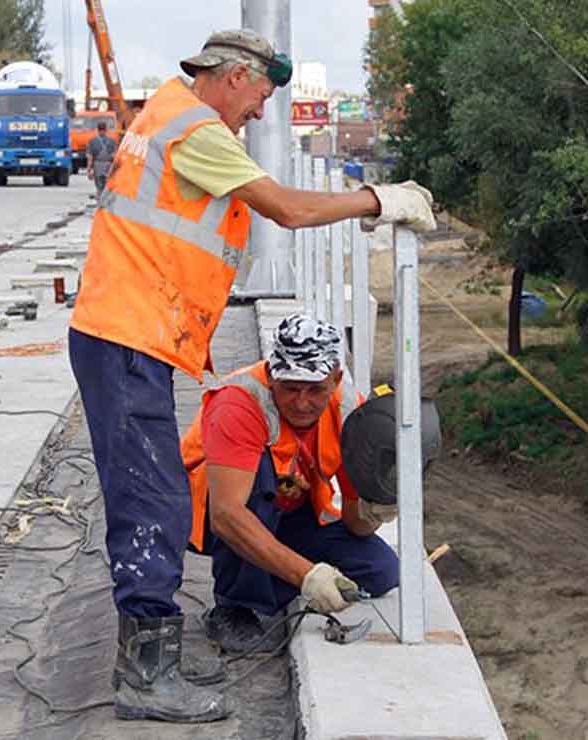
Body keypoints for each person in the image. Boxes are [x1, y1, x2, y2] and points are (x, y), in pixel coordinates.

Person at [67, 28, 435, 724]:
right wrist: (375, 202)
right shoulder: (195, 129)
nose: (261, 113)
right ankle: (148, 676)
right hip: (125, 332)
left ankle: (155, 662)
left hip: (129, 332)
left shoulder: (170, 118)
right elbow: (288, 211)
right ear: (234, 75)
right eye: (261, 95)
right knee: (154, 503)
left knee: (157, 497)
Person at [181, 315, 399, 654]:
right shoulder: (238, 404)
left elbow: (357, 524)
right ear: (271, 375)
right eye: (291, 388)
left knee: (380, 571)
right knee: (262, 477)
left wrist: (377, 505)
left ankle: (271, 574)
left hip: (289, 513)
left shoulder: (346, 409)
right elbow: (225, 514)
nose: (301, 403)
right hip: (216, 514)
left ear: (336, 378)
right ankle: (233, 607)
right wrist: (307, 577)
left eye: (315, 390)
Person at [85, 120, 118, 199]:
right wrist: (115, 170)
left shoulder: (92, 142)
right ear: (106, 130)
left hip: (97, 166)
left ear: (98, 130)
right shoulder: (112, 141)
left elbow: (90, 158)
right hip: (108, 166)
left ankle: (100, 202)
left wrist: (89, 170)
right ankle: (105, 202)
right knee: (107, 187)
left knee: (99, 187)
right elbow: (114, 157)